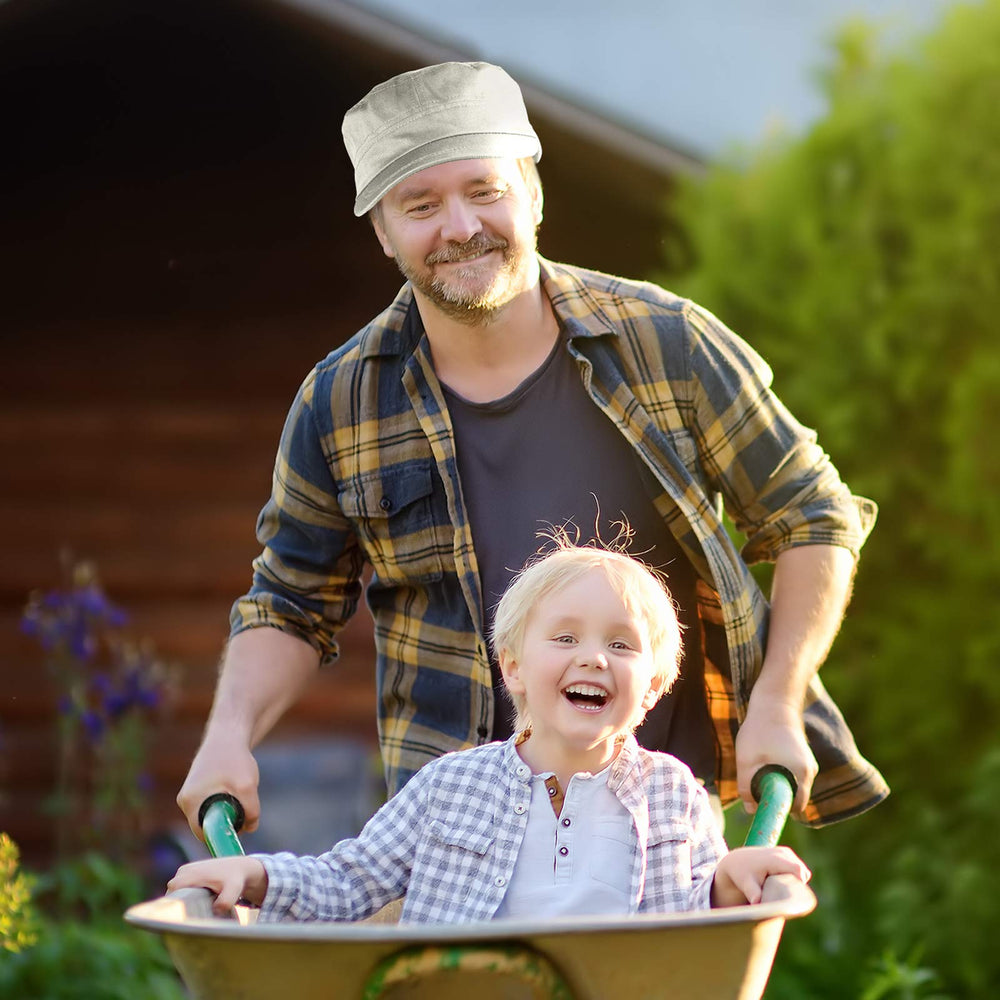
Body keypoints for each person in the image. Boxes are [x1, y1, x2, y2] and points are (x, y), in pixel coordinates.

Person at [176, 61, 888, 841]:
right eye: (420, 204)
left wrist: (778, 702)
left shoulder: (665, 343)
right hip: (456, 841)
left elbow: (810, 516)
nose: (458, 227)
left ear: (533, 193)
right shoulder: (340, 402)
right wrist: (227, 735)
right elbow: (290, 603)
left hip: (667, 830)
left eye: (484, 190)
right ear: (382, 231)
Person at [168, 541, 811, 922]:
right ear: (514, 667)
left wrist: (733, 881)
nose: (594, 658)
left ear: (653, 686)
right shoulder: (450, 788)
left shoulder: (673, 794)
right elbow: (350, 880)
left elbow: (697, 915)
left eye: (622, 645)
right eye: (565, 638)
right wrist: (254, 878)